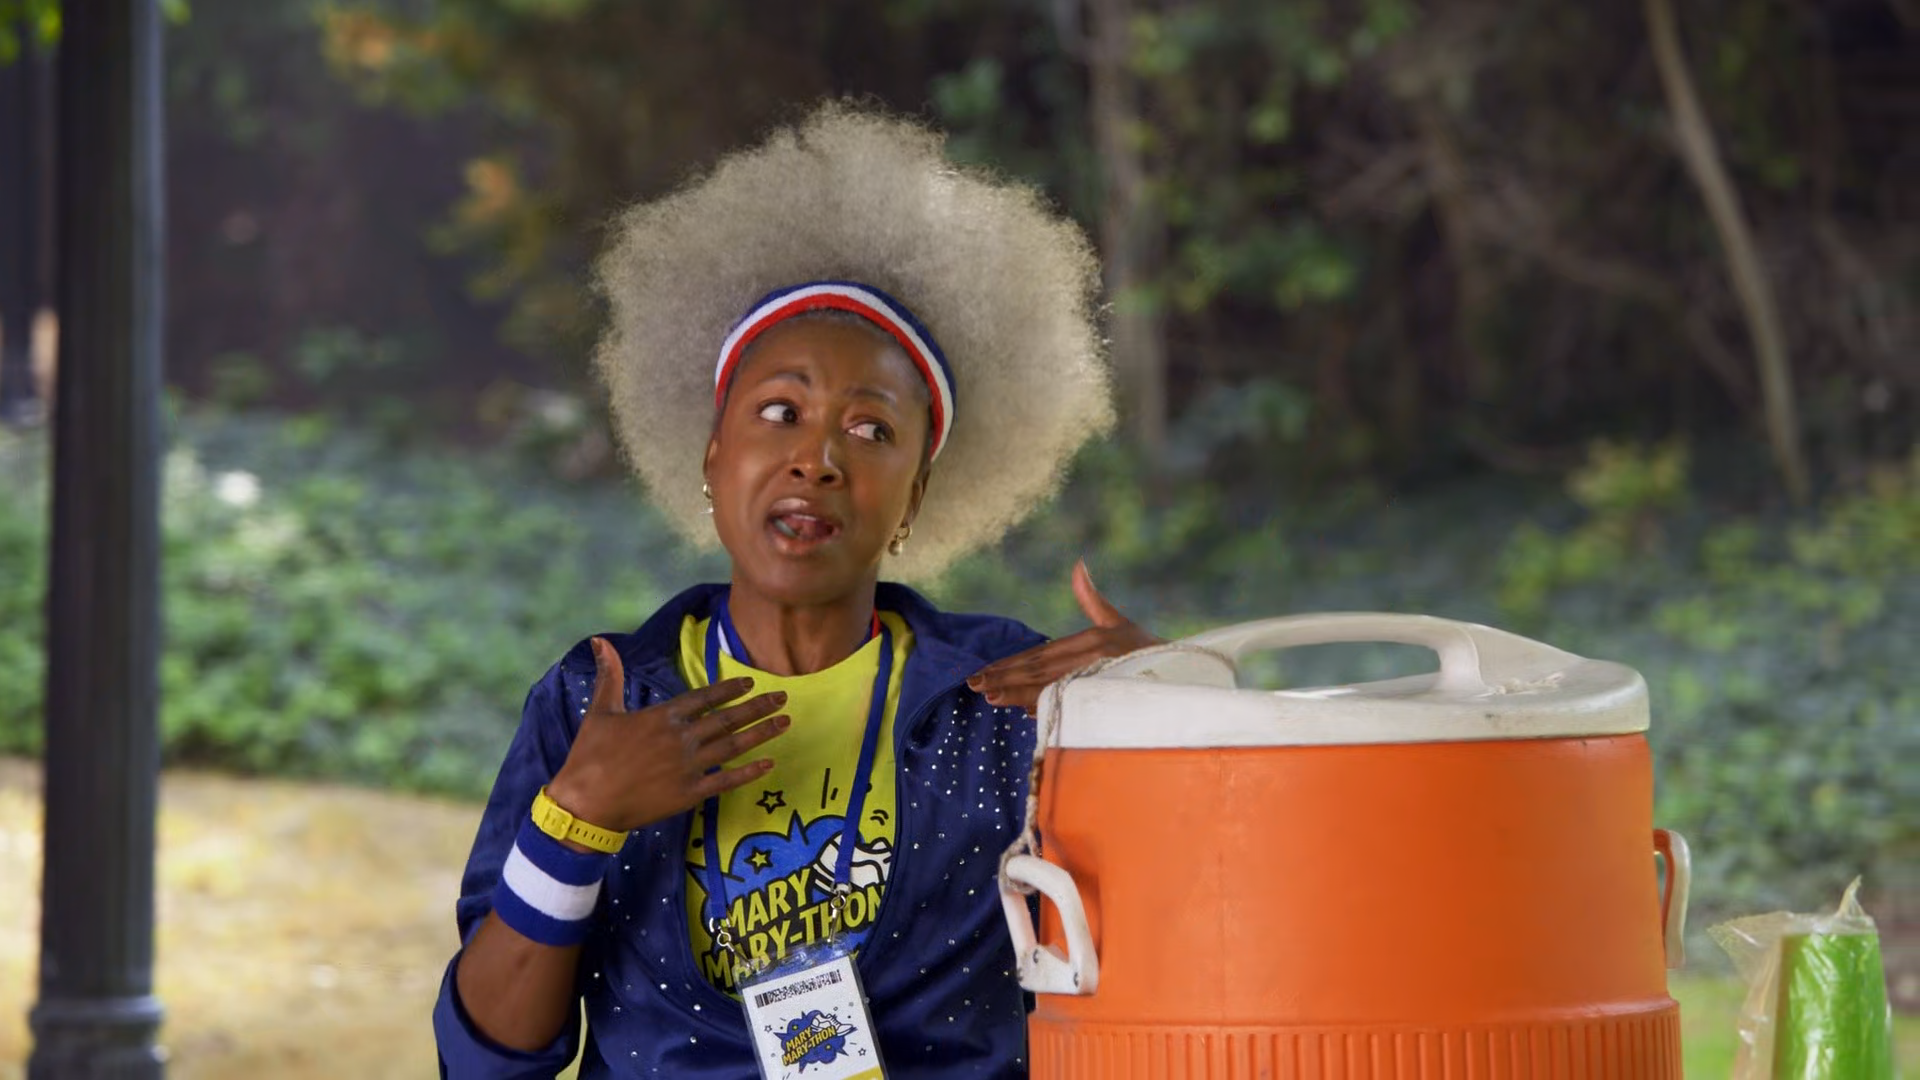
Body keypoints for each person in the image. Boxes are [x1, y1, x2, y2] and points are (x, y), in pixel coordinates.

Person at [432, 101, 1156, 1079]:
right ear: (712, 452)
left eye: (870, 431)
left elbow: (1194, 953)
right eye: (780, 412)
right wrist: (577, 818)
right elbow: (483, 1063)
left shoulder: (1012, 702)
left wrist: (1175, 715)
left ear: (915, 495)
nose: (817, 458)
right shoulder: (600, 700)